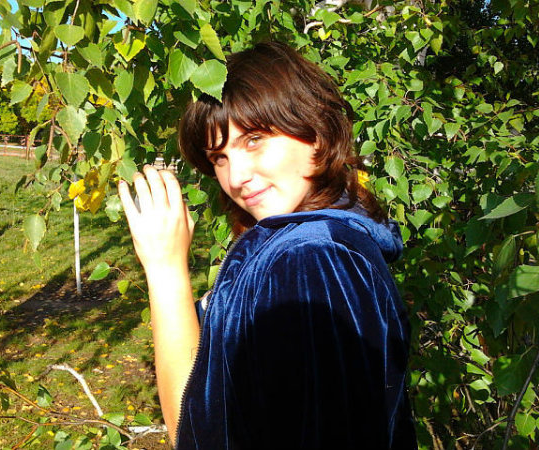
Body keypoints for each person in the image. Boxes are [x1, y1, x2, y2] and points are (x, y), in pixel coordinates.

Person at [119, 42, 417, 449]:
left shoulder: (312, 259)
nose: (236, 177)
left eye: (254, 139)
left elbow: (198, 436)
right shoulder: (318, 244)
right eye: (219, 158)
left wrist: (165, 269)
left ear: (316, 131)